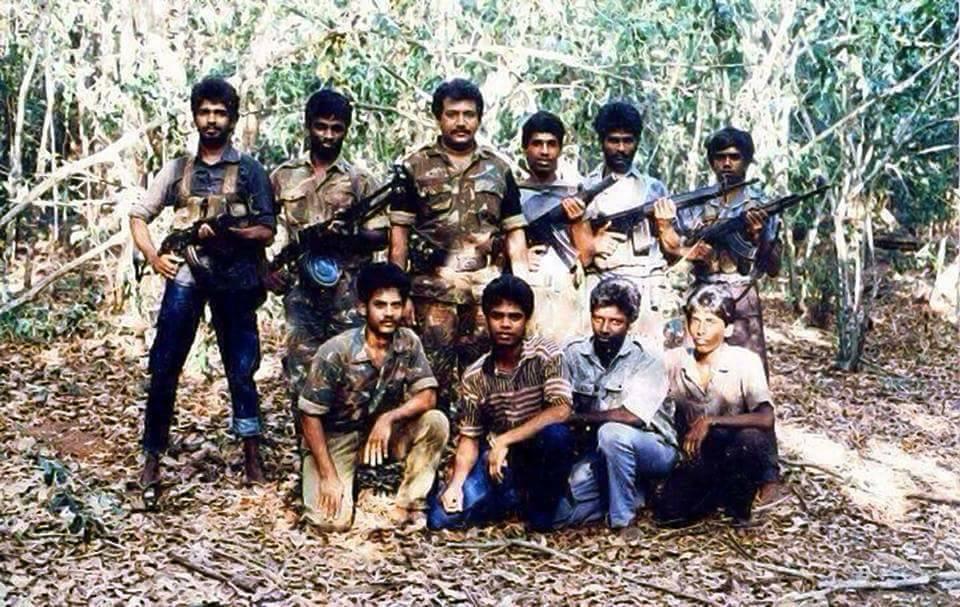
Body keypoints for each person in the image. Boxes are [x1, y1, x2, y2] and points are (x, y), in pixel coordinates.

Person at [129, 77, 275, 494]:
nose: (212, 120)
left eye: (220, 113)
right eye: (205, 112)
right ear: (194, 116)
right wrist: (154, 257)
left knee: (241, 368)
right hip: (187, 276)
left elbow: (267, 230)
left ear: (233, 119)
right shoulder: (178, 169)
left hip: (235, 279)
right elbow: (139, 215)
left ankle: (252, 455)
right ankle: (152, 457)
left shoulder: (249, 170)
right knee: (165, 365)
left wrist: (230, 233)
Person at [389, 78, 529, 413]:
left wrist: (524, 291)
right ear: (439, 117)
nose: (461, 122)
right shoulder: (414, 167)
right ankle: (433, 440)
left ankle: (479, 440)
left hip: (485, 293)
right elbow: (399, 237)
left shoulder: (499, 169)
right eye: (452, 114)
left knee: (484, 377)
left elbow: (514, 233)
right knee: (429, 380)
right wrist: (399, 293)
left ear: (479, 118)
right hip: (432, 291)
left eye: (469, 114)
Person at [298, 263, 449, 530]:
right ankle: (339, 475)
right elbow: (309, 416)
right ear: (362, 307)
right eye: (380, 305)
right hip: (336, 437)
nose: (388, 313)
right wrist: (328, 475)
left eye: (395, 305)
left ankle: (411, 503)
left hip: (380, 435)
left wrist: (388, 418)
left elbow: (427, 396)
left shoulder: (408, 342)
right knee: (330, 522)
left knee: (435, 422)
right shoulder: (336, 352)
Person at [266, 89, 384, 428]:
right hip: (301, 293)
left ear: (346, 130)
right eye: (321, 127)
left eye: (336, 128)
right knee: (302, 376)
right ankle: (309, 452)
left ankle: (347, 450)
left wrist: (346, 236)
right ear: (307, 126)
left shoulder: (361, 181)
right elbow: (259, 227)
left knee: (352, 375)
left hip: (348, 293)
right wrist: (265, 270)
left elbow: (382, 234)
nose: (328, 135)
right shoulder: (283, 176)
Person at [427, 275, 575, 531]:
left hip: (538, 452)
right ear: (486, 318)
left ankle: (541, 511)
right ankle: (508, 499)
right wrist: (456, 485)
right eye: (497, 316)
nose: (505, 324)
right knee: (441, 519)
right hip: (499, 460)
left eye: (514, 317)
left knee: (557, 435)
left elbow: (561, 409)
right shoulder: (475, 375)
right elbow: (470, 437)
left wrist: (506, 440)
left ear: (526, 320)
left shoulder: (546, 354)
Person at [553, 278, 679, 533]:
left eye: (615, 322)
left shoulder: (647, 356)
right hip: (601, 450)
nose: (604, 328)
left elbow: (632, 416)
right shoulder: (573, 352)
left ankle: (623, 520)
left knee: (612, 432)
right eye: (598, 319)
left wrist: (576, 418)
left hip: (652, 446)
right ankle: (633, 493)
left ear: (630, 322)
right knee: (561, 515)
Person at [654, 126, 781, 375]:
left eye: (734, 157)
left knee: (746, 372)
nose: (727, 163)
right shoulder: (696, 204)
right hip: (701, 294)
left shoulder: (762, 205)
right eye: (720, 157)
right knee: (693, 373)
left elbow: (774, 268)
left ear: (747, 160)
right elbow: (671, 253)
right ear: (712, 161)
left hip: (741, 295)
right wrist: (685, 247)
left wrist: (759, 237)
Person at [652, 285, 780, 526]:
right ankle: (713, 495)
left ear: (728, 328)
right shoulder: (674, 360)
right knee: (670, 515)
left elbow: (766, 417)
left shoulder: (745, 361)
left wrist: (711, 421)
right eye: (695, 321)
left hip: (733, 452)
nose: (700, 330)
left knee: (751, 438)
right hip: (696, 457)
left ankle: (739, 506)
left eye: (710, 322)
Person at [560, 101, 679, 347]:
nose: (621, 148)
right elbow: (582, 256)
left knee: (647, 357)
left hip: (645, 285)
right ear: (602, 141)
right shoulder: (584, 189)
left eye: (628, 141)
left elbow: (672, 252)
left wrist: (665, 225)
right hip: (601, 287)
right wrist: (594, 242)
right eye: (614, 141)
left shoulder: (653, 188)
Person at [517, 111, 584, 343]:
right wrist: (519, 255)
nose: (544, 151)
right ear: (525, 148)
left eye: (551, 144)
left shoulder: (574, 192)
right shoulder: (512, 193)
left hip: (566, 289)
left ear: (560, 149)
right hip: (526, 287)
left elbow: (586, 253)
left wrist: (577, 221)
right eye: (537, 144)